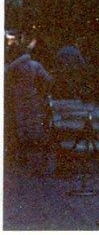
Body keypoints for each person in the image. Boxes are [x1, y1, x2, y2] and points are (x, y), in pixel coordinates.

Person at [5, 41, 55, 174]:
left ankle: (21, 152)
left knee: (19, 124)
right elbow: (48, 79)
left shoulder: (11, 67)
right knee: (33, 123)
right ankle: (35, 152)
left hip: (17, 97)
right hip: (32, 97)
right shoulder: (35, 65)